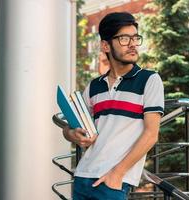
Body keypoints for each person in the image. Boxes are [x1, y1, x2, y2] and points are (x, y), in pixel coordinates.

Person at [62, 12, 164, 200]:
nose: (133, 44)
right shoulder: (95, 86)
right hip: (83, 177)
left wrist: (117, 174)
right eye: (124, 39)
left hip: (112, 182)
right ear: (106, 45)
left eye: (135, 38)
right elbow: (71, 126)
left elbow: (151, 134)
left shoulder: (149, 80)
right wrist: (72, 134)